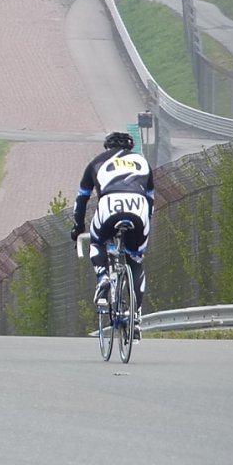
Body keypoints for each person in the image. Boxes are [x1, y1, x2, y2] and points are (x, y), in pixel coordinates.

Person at [70, 131, 154, 340]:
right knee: (135, 259)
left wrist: (77, 229)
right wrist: (144, 223)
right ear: (130, 147)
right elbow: (151, 200)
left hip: (109, 204)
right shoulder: (142, 162)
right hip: (139, 208)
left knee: (97, 241)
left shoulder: (96, 162)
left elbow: (81, 201)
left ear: (107, 147)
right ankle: (135, 316)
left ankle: (103, 278)